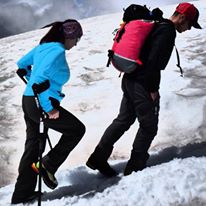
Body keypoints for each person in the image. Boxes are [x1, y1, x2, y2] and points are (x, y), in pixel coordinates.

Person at [86, 3, 202, 177]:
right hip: (143, 84)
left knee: (123, 120)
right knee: (148, 126)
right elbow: (154, 62)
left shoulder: (157, 24)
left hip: (129, 78)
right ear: (183, 17)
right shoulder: (167, 31)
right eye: (190, 24)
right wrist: (152, 89)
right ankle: (135, 167)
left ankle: (98, 157)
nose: (188, 29)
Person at [11, 19, 86, 204]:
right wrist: (49, 108)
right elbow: (40, 80)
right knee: (76, 130)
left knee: (33, 147)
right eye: (76, 38)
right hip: (40, 102)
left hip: (28, 99)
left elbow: (21, 65)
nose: (76, 43)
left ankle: (21, 194)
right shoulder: (57, 51)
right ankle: (48, 165)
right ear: (68, 36)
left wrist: (29, 78)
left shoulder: (43, 47)